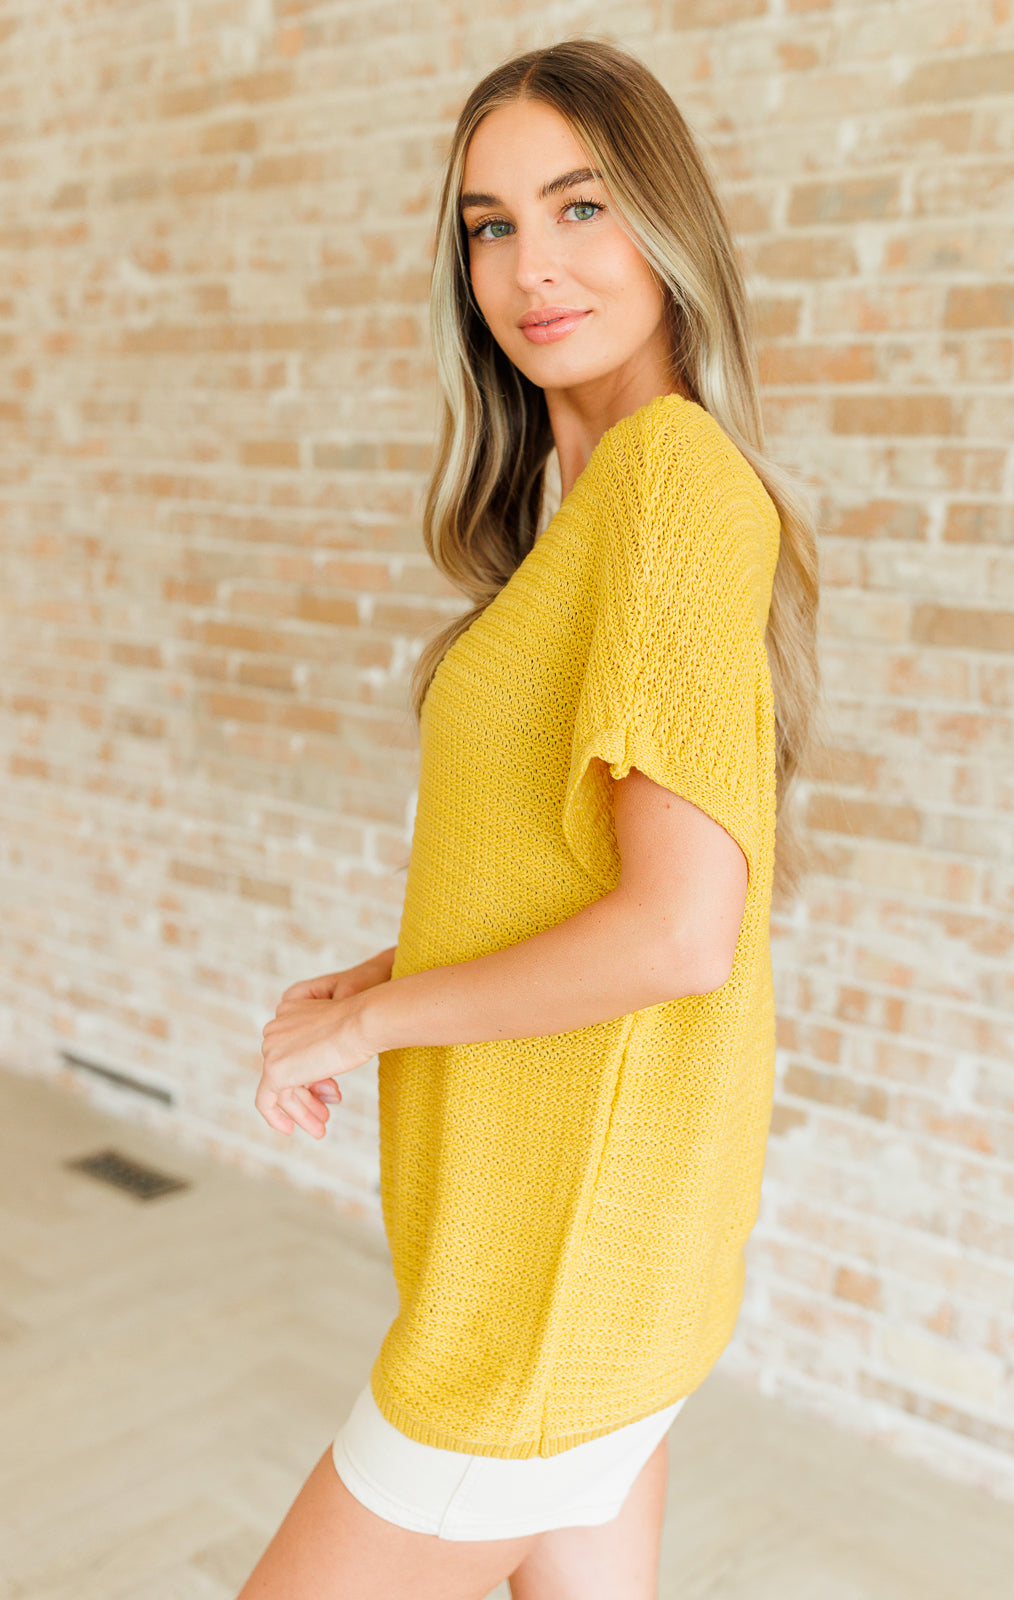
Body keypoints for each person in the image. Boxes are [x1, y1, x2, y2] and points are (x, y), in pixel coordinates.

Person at [239, 34, 820, 1600]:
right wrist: (376, 978)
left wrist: (371, 1034)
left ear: (666, 227)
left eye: (581, 207)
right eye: (491, 224)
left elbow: (683, 929)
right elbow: (569, 873)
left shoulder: (676, 487)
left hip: (552, 1276)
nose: (531, 265)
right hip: (592, 1255)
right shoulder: (597, 504)